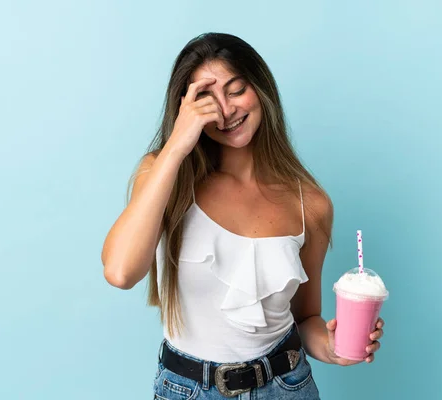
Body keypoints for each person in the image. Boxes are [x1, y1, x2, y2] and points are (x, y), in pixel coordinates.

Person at [101, 32, 385, 399]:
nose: (225, 109)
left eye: (236, 90)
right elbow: (121, 272)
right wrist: (176, 147)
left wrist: (333, 347)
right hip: (188, 389)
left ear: (260, 89)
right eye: (206, 98)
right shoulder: (161, 174)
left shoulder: (311, 204)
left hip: (287, 386)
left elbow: (305, 318)